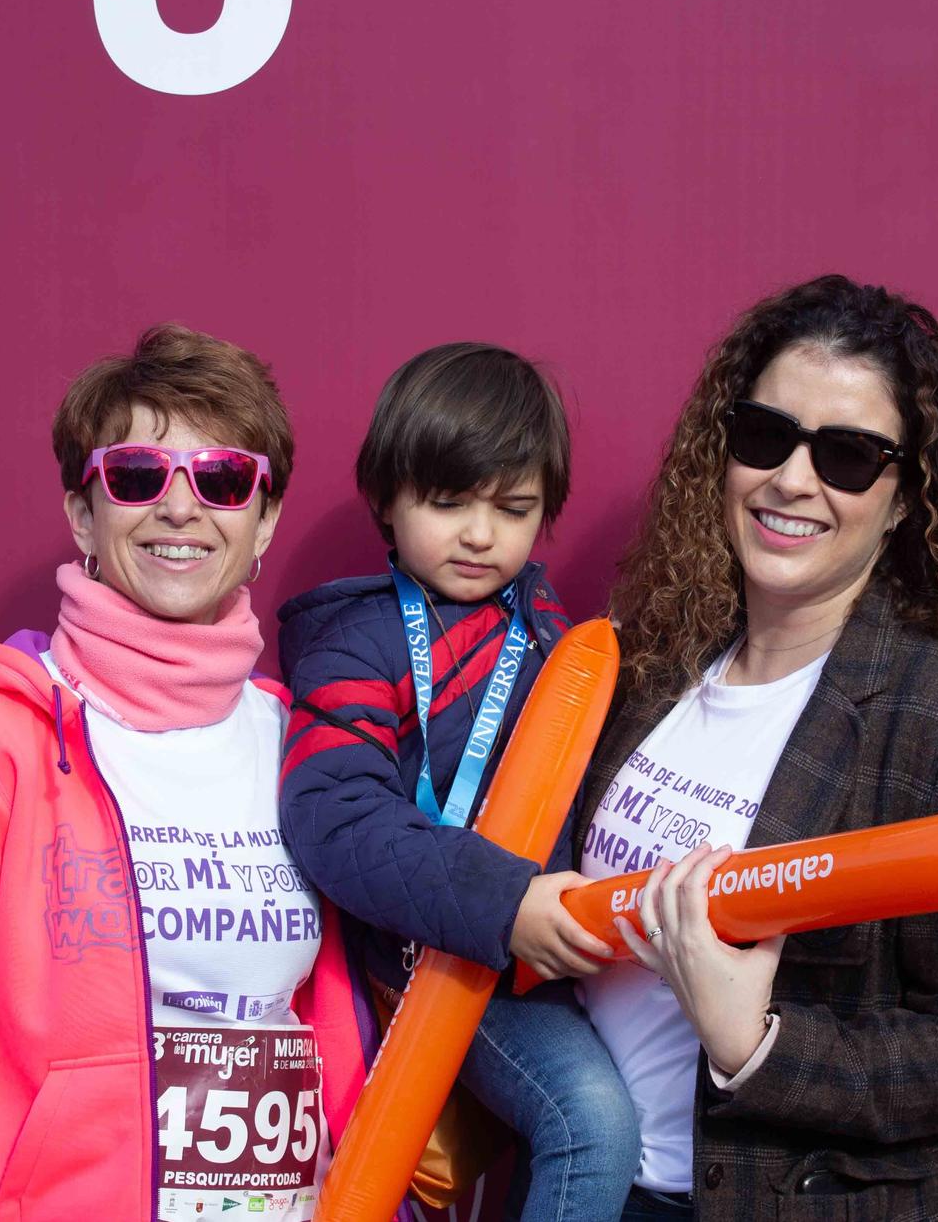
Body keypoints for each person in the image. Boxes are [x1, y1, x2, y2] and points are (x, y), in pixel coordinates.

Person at [578, 277, 938, 1221]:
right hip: (599, 1188)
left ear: (905, 500)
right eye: (765, 435)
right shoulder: (648, 665)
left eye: (850, 456)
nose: (791, 479)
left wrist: (758, 1043)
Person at [0, 323, 367, 1222]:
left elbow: (328, 1029)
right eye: (138, 476)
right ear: (83, 513)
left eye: (221, 478)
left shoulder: (301, 739)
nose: (180, 507)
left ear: (265, 519)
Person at [279, 343, 641, 1221]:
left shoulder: (558, 636)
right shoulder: (358, 640)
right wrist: (507, 902)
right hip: (432, 964)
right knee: (592, 1121)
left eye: (513, 508)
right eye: (448, 503)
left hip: (545, 965)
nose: (481, 534)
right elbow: (333, 813)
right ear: (387, 498)